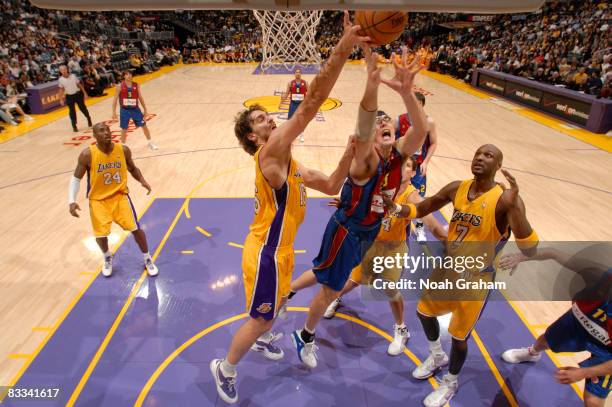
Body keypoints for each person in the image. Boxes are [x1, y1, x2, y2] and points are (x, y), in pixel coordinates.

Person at [209, 13, 369, 404]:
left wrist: (349, 155)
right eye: (262, 119)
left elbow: (332, 183)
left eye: (268, 115)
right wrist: (344, 45)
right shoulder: (270, 153)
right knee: (262, 316)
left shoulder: (293, 166)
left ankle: (262, 340)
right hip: (265, 252)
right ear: (254, 134)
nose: (270, 118)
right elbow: (311, 103)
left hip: (279, 255)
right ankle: (225, 368)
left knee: (277, 304)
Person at [288, 47, 429, 369]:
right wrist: (372, 82)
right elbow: (365, 122)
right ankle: (305, 337)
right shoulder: (364, 162)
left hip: (370, 230)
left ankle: (289, 295)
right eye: (378, 128)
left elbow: (419, 131)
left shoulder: (398, 156)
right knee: (330, 287)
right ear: (372, 139)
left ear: (395, 134)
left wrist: (408, 93)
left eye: (388, 126)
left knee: (333, 278)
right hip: (347, 231)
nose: (383, 127)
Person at [382, 144, 538, 407]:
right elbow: (424, 207)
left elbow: (530, 247)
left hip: (476, 278)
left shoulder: (506, 199)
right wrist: (398, 210)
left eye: (488, 155)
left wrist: (516, 208)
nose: (480, 157)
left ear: (498, 166)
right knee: (423, 312)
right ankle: (436, 355)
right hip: (447, 268)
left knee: (459, 337)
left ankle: (451, 382)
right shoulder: (458, 187)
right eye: (478, 153)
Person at [322, 155, 448, 356]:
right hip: (370, 243)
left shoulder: (411, 196)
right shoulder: (381, 187)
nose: (402, 170)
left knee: (390, 289)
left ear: (413, 173)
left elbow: (431, 222)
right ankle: (336, 299)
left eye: (408, 167)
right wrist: (345, 205)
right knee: (353, 281)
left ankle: (401, 329)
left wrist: (447, 240)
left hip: (393, 248)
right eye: (400, 166)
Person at [500, 248, 612, 407]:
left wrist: (583, 373)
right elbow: (554, 253)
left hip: (607, 351)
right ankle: (532, 353)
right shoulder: (598, 274)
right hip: (579, 322)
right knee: (544, 340)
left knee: (593, 401)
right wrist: (522, 256)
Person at [68, 122, 159, 278]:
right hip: (98, 201)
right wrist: (71, 200)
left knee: (135, 229)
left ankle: (147, 258)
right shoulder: (87, 155)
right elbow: (76, 178)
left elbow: (132, 168)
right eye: (102, 131)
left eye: (108, 130)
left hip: (120, 196)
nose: (106, 133)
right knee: (100, 235)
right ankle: (107, 256)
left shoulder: (122, 150)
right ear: (95, 136)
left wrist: (142, 180)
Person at [396, 91, 438, 243]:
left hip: (418, 168)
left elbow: (433, 143)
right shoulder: (399, 120)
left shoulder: (429, 122)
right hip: (401, 166)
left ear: (423, 106)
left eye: (417, 106)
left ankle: (420, 229)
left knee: (419, 201)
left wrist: (426, 161)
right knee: (395, 195)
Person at [111, 71, 157, 150]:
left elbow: (140, 97)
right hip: (124, 110)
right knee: (124, 129)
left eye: (130, 74)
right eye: (127, 74)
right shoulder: (119, 86)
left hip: (135, 109)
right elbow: (115, 100)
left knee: (144, 126)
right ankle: (122, 147)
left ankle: (150, 143)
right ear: (124, 76)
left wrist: (145, 109)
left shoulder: (136, 85)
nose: (129, 76)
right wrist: (113, 112)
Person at [58, 65, 92, 132]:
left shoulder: (73, 76)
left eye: (64, 69)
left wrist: (85, 93)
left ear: (67, 69)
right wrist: (61, 99)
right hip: (69, 96)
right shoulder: (60, 79)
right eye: (61, 70)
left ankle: (88, 118)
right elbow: (61, 89)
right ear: (60, 71)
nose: (63, 71)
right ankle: (74, 125)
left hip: (77, 94)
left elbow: (79, 85)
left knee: (83, 108)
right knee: (72, 111)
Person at [281, 68, 308, 143]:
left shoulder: (305, 83)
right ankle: (290, 135)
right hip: (293, 103)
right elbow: (286, 94)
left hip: (301, 104)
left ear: (301, 74)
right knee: (290, 120)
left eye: (299, 72)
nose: (298, 73)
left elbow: (309, 95)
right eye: (296, 72)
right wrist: (282, 101)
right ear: (294, 74)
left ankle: (301, 134)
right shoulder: (290, 83)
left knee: (301, 120)